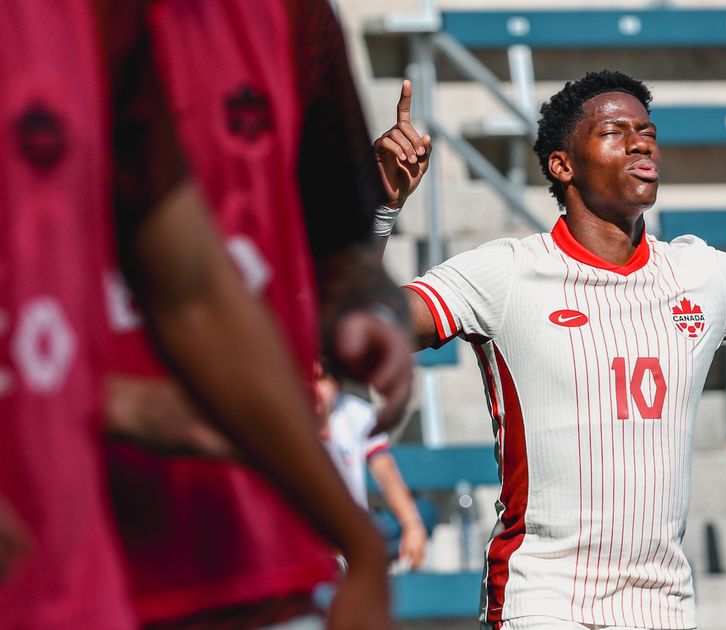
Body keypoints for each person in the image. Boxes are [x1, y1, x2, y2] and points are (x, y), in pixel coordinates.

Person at [379, 69, 726, 628]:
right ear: (563, 165)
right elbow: (357, 333)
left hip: (663, 606)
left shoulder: (700, 273)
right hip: (543, 602)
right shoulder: (506, 272)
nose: (641, 142)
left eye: (649, 131)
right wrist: (379, 209)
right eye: (615, 131)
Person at [1, 1, 389, 627]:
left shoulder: (289, 16)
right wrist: (105, 395)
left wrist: (357, 539)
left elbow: (198, 287)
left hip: (242, 558)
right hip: (76, 548)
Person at [103, 0, 426, 626]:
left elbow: (341, 252)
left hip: (260, 556)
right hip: (55, 558)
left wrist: (369, 312)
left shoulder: (296, 17)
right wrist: (110, 400)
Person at [316, 366, 429, 569]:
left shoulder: (355, 413)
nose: (314, 388)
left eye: (321, 378)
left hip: (354, 528)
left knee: (424, 513)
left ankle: (357, 558)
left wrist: (412, 525)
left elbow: (385, 471)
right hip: (307, 531)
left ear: (338, 383)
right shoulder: (288, 419)